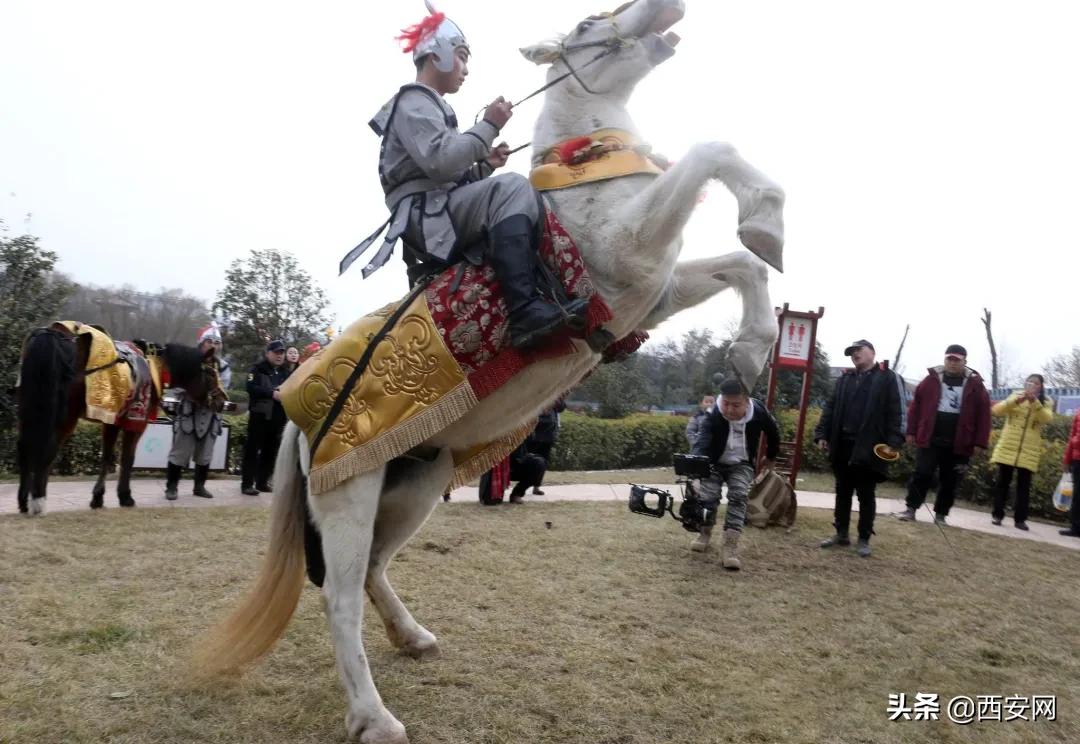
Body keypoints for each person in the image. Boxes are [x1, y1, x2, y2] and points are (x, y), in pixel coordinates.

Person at [346, 7, 588, 348]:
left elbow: (448, 177)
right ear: (438, 54)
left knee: (505, 186)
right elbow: (441, 162)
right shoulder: (413, 100)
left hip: (435, 206)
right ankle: (524, 311)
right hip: (425, 216)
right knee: (514, 187)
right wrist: (489, 125)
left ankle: (536, 295)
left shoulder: (427, 105)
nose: (466, 69)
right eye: (461, 57)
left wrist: (484, 165)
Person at [814, 340, 904, 557]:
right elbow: (830, 407)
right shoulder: (845, 379)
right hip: (843, 443)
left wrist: (894, 441)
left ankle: (864, 538)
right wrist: (821, 434)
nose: (855, 354)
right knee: (842, 491)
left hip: (870, 445)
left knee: (866, 493)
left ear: (872, 352)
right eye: (851, 352)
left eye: (858, 350)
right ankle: (841, 533)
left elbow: (896, 411)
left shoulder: (887, 378)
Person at [690, 378, 780, 570]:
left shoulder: (759, 411)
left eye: (736, 405)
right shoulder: (713, 414)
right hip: (714, 461)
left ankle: (730, 547)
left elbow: (773, 432)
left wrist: (770, 457)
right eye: (726, 404)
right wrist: (696, 473)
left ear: (747, 402)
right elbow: (702, 443)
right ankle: (704, 533)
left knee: (739, 495)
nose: (730, 409)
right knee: (708, 496)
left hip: (742, 463)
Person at [897, 344, 991, 525]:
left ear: (965, 362)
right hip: (929, 437)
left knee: (951, 480)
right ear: (945, 359)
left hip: (960, 442)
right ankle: (911, 509)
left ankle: (941, 515)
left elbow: (984, 416)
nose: (953, 363)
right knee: (922, 473)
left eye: (957, 360)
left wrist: (980, 442)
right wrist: (911, 431)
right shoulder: (931, 380)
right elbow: (915, 407)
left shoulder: (976, 385)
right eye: (950, 359)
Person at [165, 326, 229, 500]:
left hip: (210, 414)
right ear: (202, 343)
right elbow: (176, 386)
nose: (213, 345)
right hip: (189, 410)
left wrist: (212, 395)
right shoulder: (187, 361)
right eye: (209, 341)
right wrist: (193, 392)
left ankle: (199, 486)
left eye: (217, 342)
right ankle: (171, 487)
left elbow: (223, 389)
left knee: (205, 453)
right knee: (179, 452)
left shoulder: (223, 367)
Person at [990, 375, 1054, 530]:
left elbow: (1047, 419)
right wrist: (1016, 401)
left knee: (1023, 486)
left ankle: (1020, 520)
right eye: (1029, 382)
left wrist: (1034, 402)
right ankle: (997, 515)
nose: (1032, 385)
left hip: (1028, 450)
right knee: (1002, 483)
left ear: (1041, 386)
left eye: (1036, 383)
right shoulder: (1016, 395)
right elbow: (997, 410)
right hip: (1009, 446)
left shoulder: (1046, 401)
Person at [241, 340, 291, 495]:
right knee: (252, 450)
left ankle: (262, 482)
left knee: (270, 451)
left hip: (277, 417)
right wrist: (271, 393)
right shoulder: (257, 369)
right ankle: (247, 484)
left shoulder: (285, 372)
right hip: (259, 416)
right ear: (268, 353)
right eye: (276, 352)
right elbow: (250, 387)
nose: (279, 356)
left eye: (282, 353)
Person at [526, 398, 566, 495]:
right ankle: (522, 487)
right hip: (534, 434)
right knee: (528, 461)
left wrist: (556, 400)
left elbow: (562, 407)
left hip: (548, 435)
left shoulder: (555, 394)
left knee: (543, 462)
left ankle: (536, 487)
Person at [1060, 410, 1080, 538]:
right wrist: (1067, 460)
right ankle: (1076, 527)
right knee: (1078, 494)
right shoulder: (1079, 413)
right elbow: (1072, 438)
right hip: (1077, 460)